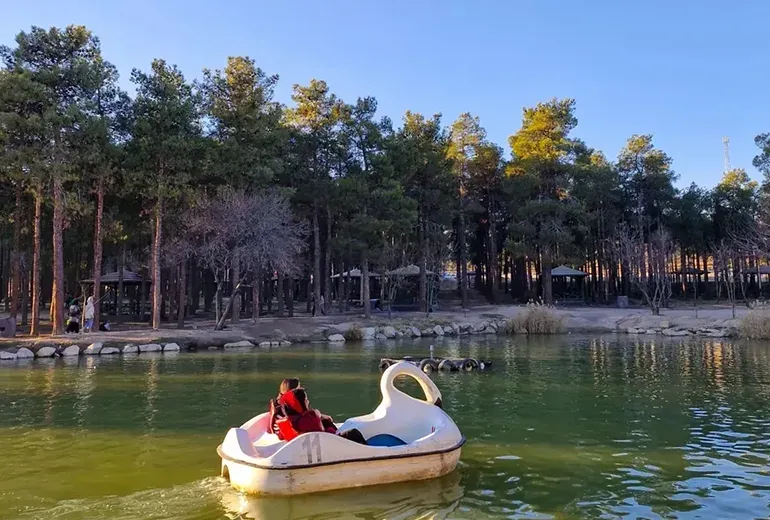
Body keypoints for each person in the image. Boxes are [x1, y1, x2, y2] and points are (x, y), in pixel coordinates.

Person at [276, 387, 367, 445]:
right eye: (306, 400)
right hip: (329, 446)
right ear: (298, 404)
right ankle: (369, 452)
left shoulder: (288, 421)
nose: (308, 402)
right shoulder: (308, 418)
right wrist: (325, 421)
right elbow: (324, 431)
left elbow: (281, 436)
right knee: (354, 433)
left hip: (303, 448)